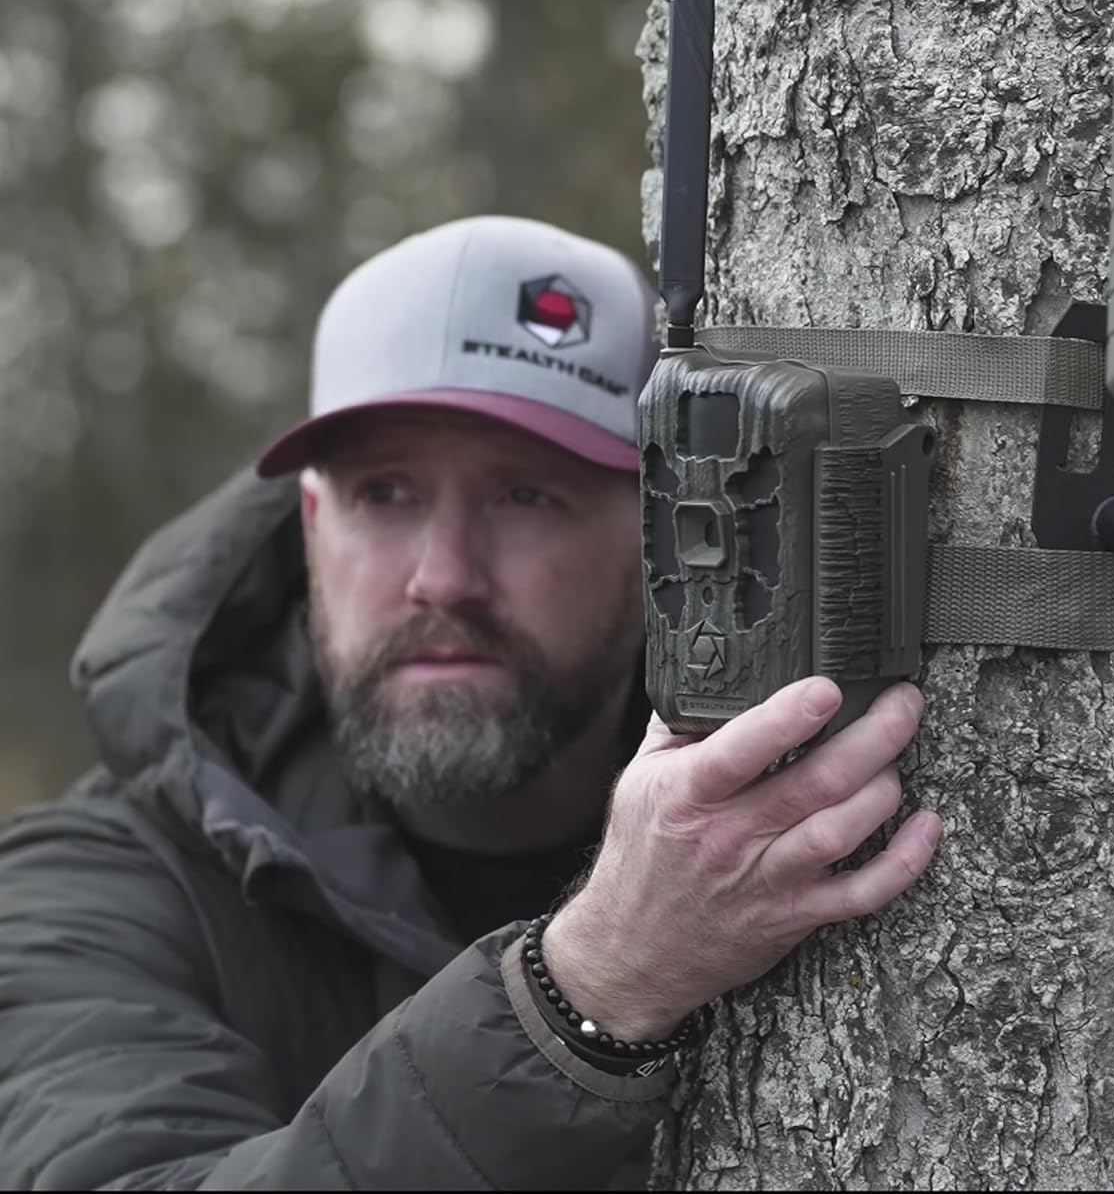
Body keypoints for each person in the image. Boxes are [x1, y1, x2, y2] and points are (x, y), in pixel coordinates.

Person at [0, 215, 942, 1190]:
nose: (443, 579)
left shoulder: (794, 828)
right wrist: (589, 987)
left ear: (657, 530)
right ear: (313, 525)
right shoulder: (96, 888)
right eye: (387, 495)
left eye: (525, 496)